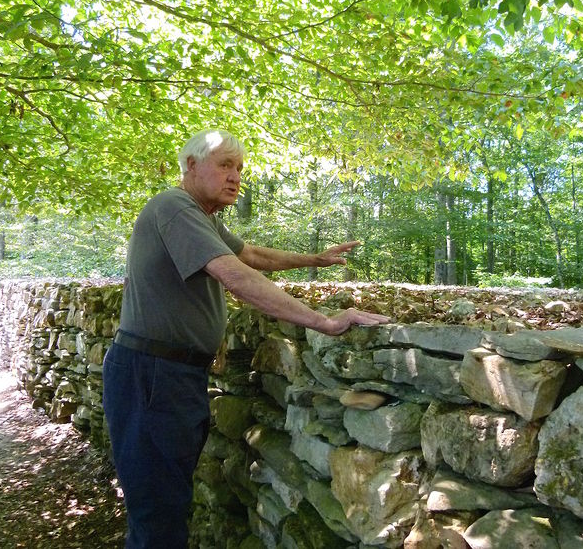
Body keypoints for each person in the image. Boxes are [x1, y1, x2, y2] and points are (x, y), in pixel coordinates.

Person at [102, 129, 390, 548]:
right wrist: (323, 322)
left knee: (167, 501)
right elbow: (235, 274)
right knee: (157, 513)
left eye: (239, 168)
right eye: (225, 165)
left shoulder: (204, 219)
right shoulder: (174, 206)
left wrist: (314, 259)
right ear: (191, 166)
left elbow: (250, 256)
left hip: (170, 377)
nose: (236, 176)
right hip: (151, 376)